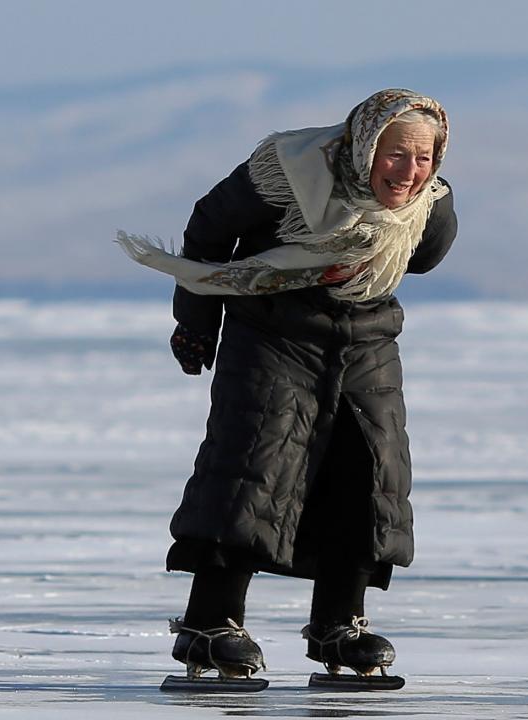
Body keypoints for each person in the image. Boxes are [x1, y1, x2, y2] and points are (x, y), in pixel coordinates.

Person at [116, 88, 458, 684]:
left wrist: (433, 202)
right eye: (394, 154)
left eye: (424, 159)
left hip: (366, 341)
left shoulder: (427, 201)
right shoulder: (287, 173)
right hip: (272, 331)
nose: (409, 172)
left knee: (370, 473)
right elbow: (208, 229)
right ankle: (211, 623)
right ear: (364, 145)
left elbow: (425, 256)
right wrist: (195, 323)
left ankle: (340, 624)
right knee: (255, 466)